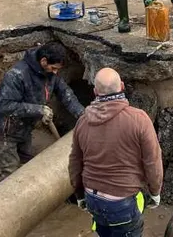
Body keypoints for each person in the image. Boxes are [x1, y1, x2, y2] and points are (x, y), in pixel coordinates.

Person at [70, 68, 163, 237]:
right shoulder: (139, 119)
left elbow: (75, 163)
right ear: (121, 86)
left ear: (95, 91)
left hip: (93, 199)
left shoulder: (82, 122)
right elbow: (153, 161)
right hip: (122, 203)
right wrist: (155, 191)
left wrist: (79, 195)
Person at [0, 42, 85, 180]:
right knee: (11, 172)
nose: (55, 72)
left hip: (25, 127)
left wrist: (82, 114)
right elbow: (6, 106)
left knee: (27, 163)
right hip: (6, 130)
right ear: (43, 60)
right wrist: (38, 110)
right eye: (53, 68)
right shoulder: (17, 75)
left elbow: (65, 93)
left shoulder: (49, 73)